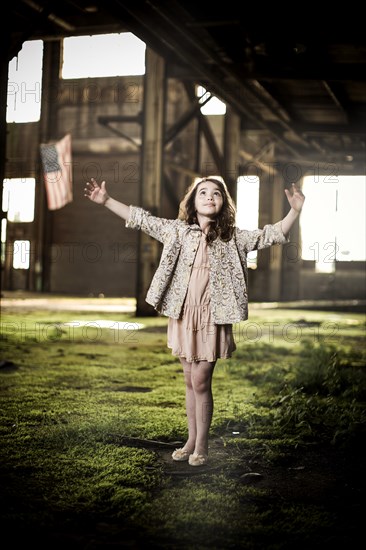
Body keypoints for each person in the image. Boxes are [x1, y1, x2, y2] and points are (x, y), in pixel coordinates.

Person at [84, 176, 305, 466]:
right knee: (190, 381)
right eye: (203, 192)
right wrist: (107, 201)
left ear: (224, 202)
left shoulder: (233, 237)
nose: (210, 196)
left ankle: (202, 445)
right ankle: (190, 440)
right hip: (183, 313)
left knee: (201, 380)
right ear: (192, 201)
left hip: (214, 316)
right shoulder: (177, 231)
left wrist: (295, 212)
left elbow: (270, 235)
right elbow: (142, 220)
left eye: (216, 193)